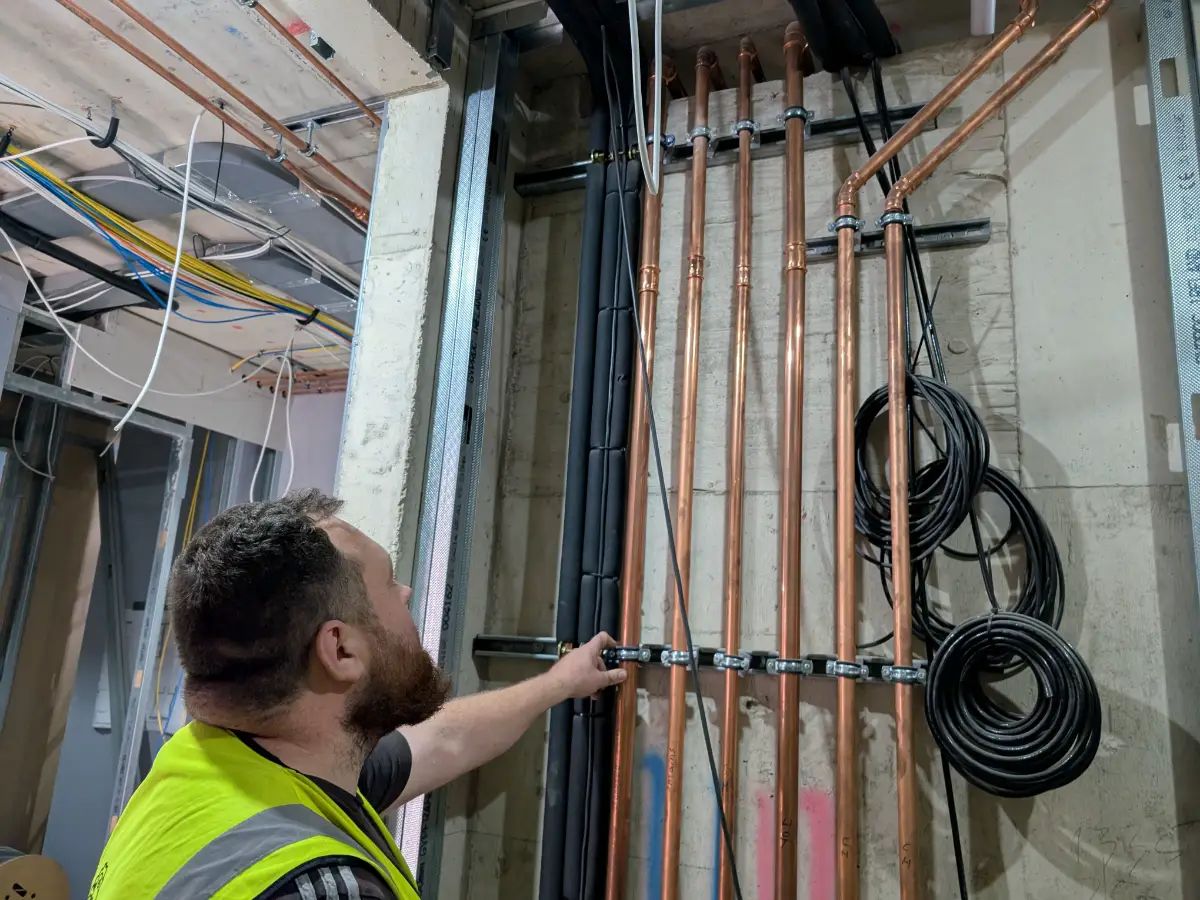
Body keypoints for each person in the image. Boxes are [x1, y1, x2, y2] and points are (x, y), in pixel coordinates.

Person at [88, 489, 625, 900]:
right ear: (340, 649)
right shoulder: (320, 887)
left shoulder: (209, 773)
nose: (406, 591)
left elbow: (443, 740)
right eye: (389, 582)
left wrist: (561, 682)